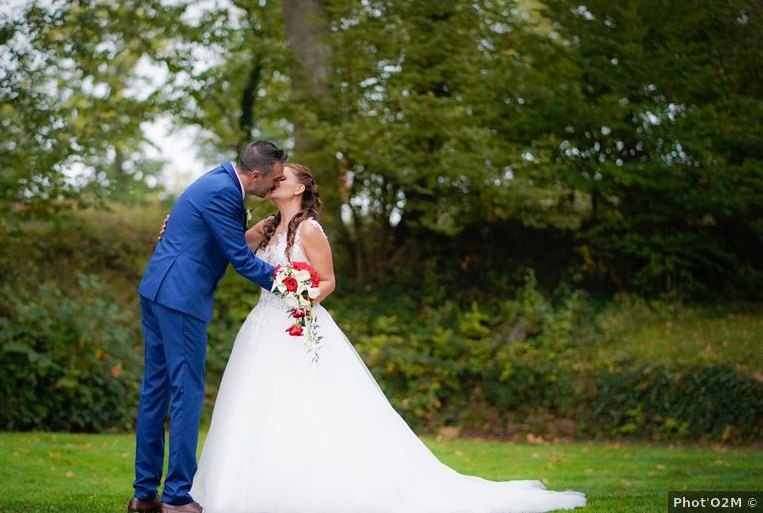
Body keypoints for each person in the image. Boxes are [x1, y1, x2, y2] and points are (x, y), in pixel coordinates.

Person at [190, 163, 587, 513]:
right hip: (262, 327)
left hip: (299, 325)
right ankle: (250, 487)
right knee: (254, 404)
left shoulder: (310, 230)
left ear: (299, 189)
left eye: (283, 178)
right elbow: (229, 246)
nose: (275, 181)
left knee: (306, 407)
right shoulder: (268, 226)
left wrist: (302, 297)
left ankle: (310, 486)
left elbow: (328, 281)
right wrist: (187, 228)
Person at [129, 141, 287, 513]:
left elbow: (209, 240)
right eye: (274, 178)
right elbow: (242, 262)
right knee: (187, 391)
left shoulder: (218, 182)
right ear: (254, 175)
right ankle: (176, 497)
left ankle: (144, 493)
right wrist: (293, 284)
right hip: (180, 298)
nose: (275, 186)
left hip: (158, 290)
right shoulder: (222, 193)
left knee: (155, 389)